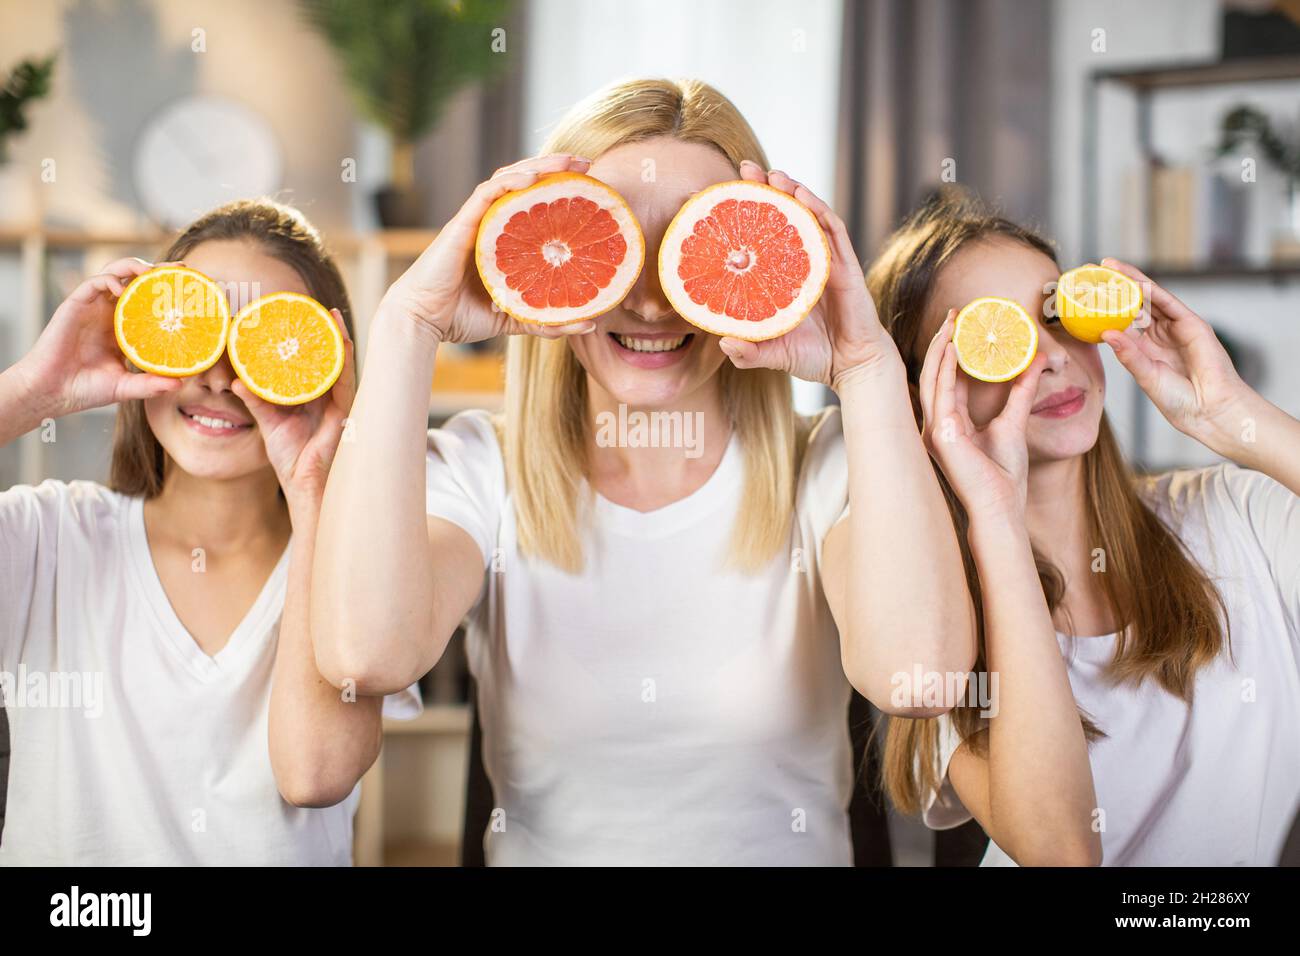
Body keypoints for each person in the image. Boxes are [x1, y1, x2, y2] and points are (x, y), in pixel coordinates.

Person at [311, 77, 977, 865]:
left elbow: (921, 680)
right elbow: (366, 656)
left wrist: (865, 367)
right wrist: (408, 326)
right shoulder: (481, 470)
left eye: (691, 247)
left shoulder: (827, 468)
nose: (654, 301)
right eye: (617, 241)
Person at [872, 193, 1300, 866]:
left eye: (1055, 313)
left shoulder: (1237, 517)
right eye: (992, 335)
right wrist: (996, 515)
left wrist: (1232, 415)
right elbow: (1061, 851)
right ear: (921, 392)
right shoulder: (941, 635)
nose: (1049, 357)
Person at [0, 199, 417, 865]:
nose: (221, 377)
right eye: (193, 330)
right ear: (139, 337)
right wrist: (34, 390)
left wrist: (315, 488)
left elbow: (316, 776)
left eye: (265, 341)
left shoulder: (354, 572)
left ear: (325, 365)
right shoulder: (48, 539)